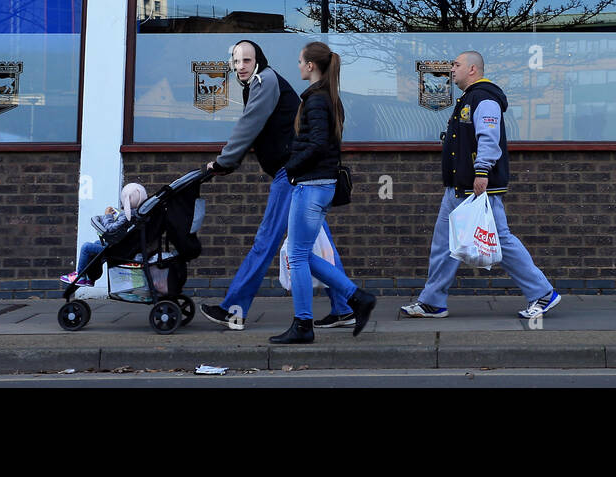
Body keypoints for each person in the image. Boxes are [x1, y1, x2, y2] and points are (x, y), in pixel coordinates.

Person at [200, 39, 356, 330]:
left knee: (266, 240)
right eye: (236, 61)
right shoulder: (260, 82)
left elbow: (249, 124)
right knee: (320, 244)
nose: (240, 66)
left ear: (258, 59)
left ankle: (234, 309)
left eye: (246, 60)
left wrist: (224, 162)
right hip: (300, 174)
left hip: (292, 174)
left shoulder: (265, 80)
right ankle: (346, 307)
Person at [400, 50, 561, 321]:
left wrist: (482, 171)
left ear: (472, 69)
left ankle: (543, 293)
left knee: (502, 241)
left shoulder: (484, 99)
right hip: (457, 187)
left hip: (477, 187)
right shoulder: (467, 99)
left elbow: (489, 137)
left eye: (456, 65)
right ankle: (432, 302)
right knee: (443, 244)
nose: (451, 70)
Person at [270, 42, 376, 344]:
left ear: (312, 66)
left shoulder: (317, 101)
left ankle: (303, 325)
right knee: (300, 252)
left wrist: (291, 167)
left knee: (297, 256)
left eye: (301, 61)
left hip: (311, 185)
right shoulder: (326, 98)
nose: (299, 66)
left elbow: (317, 143)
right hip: (320, 185)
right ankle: (358, 298)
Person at [61, 182, 147, 286]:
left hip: (117, 250)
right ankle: (89, 276)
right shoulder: (138, 215)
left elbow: (109, 229)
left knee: (86, 247)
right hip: (124, 247)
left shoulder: (126, 216)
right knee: (97, 243)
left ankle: (80, 276)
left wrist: (108, 216)